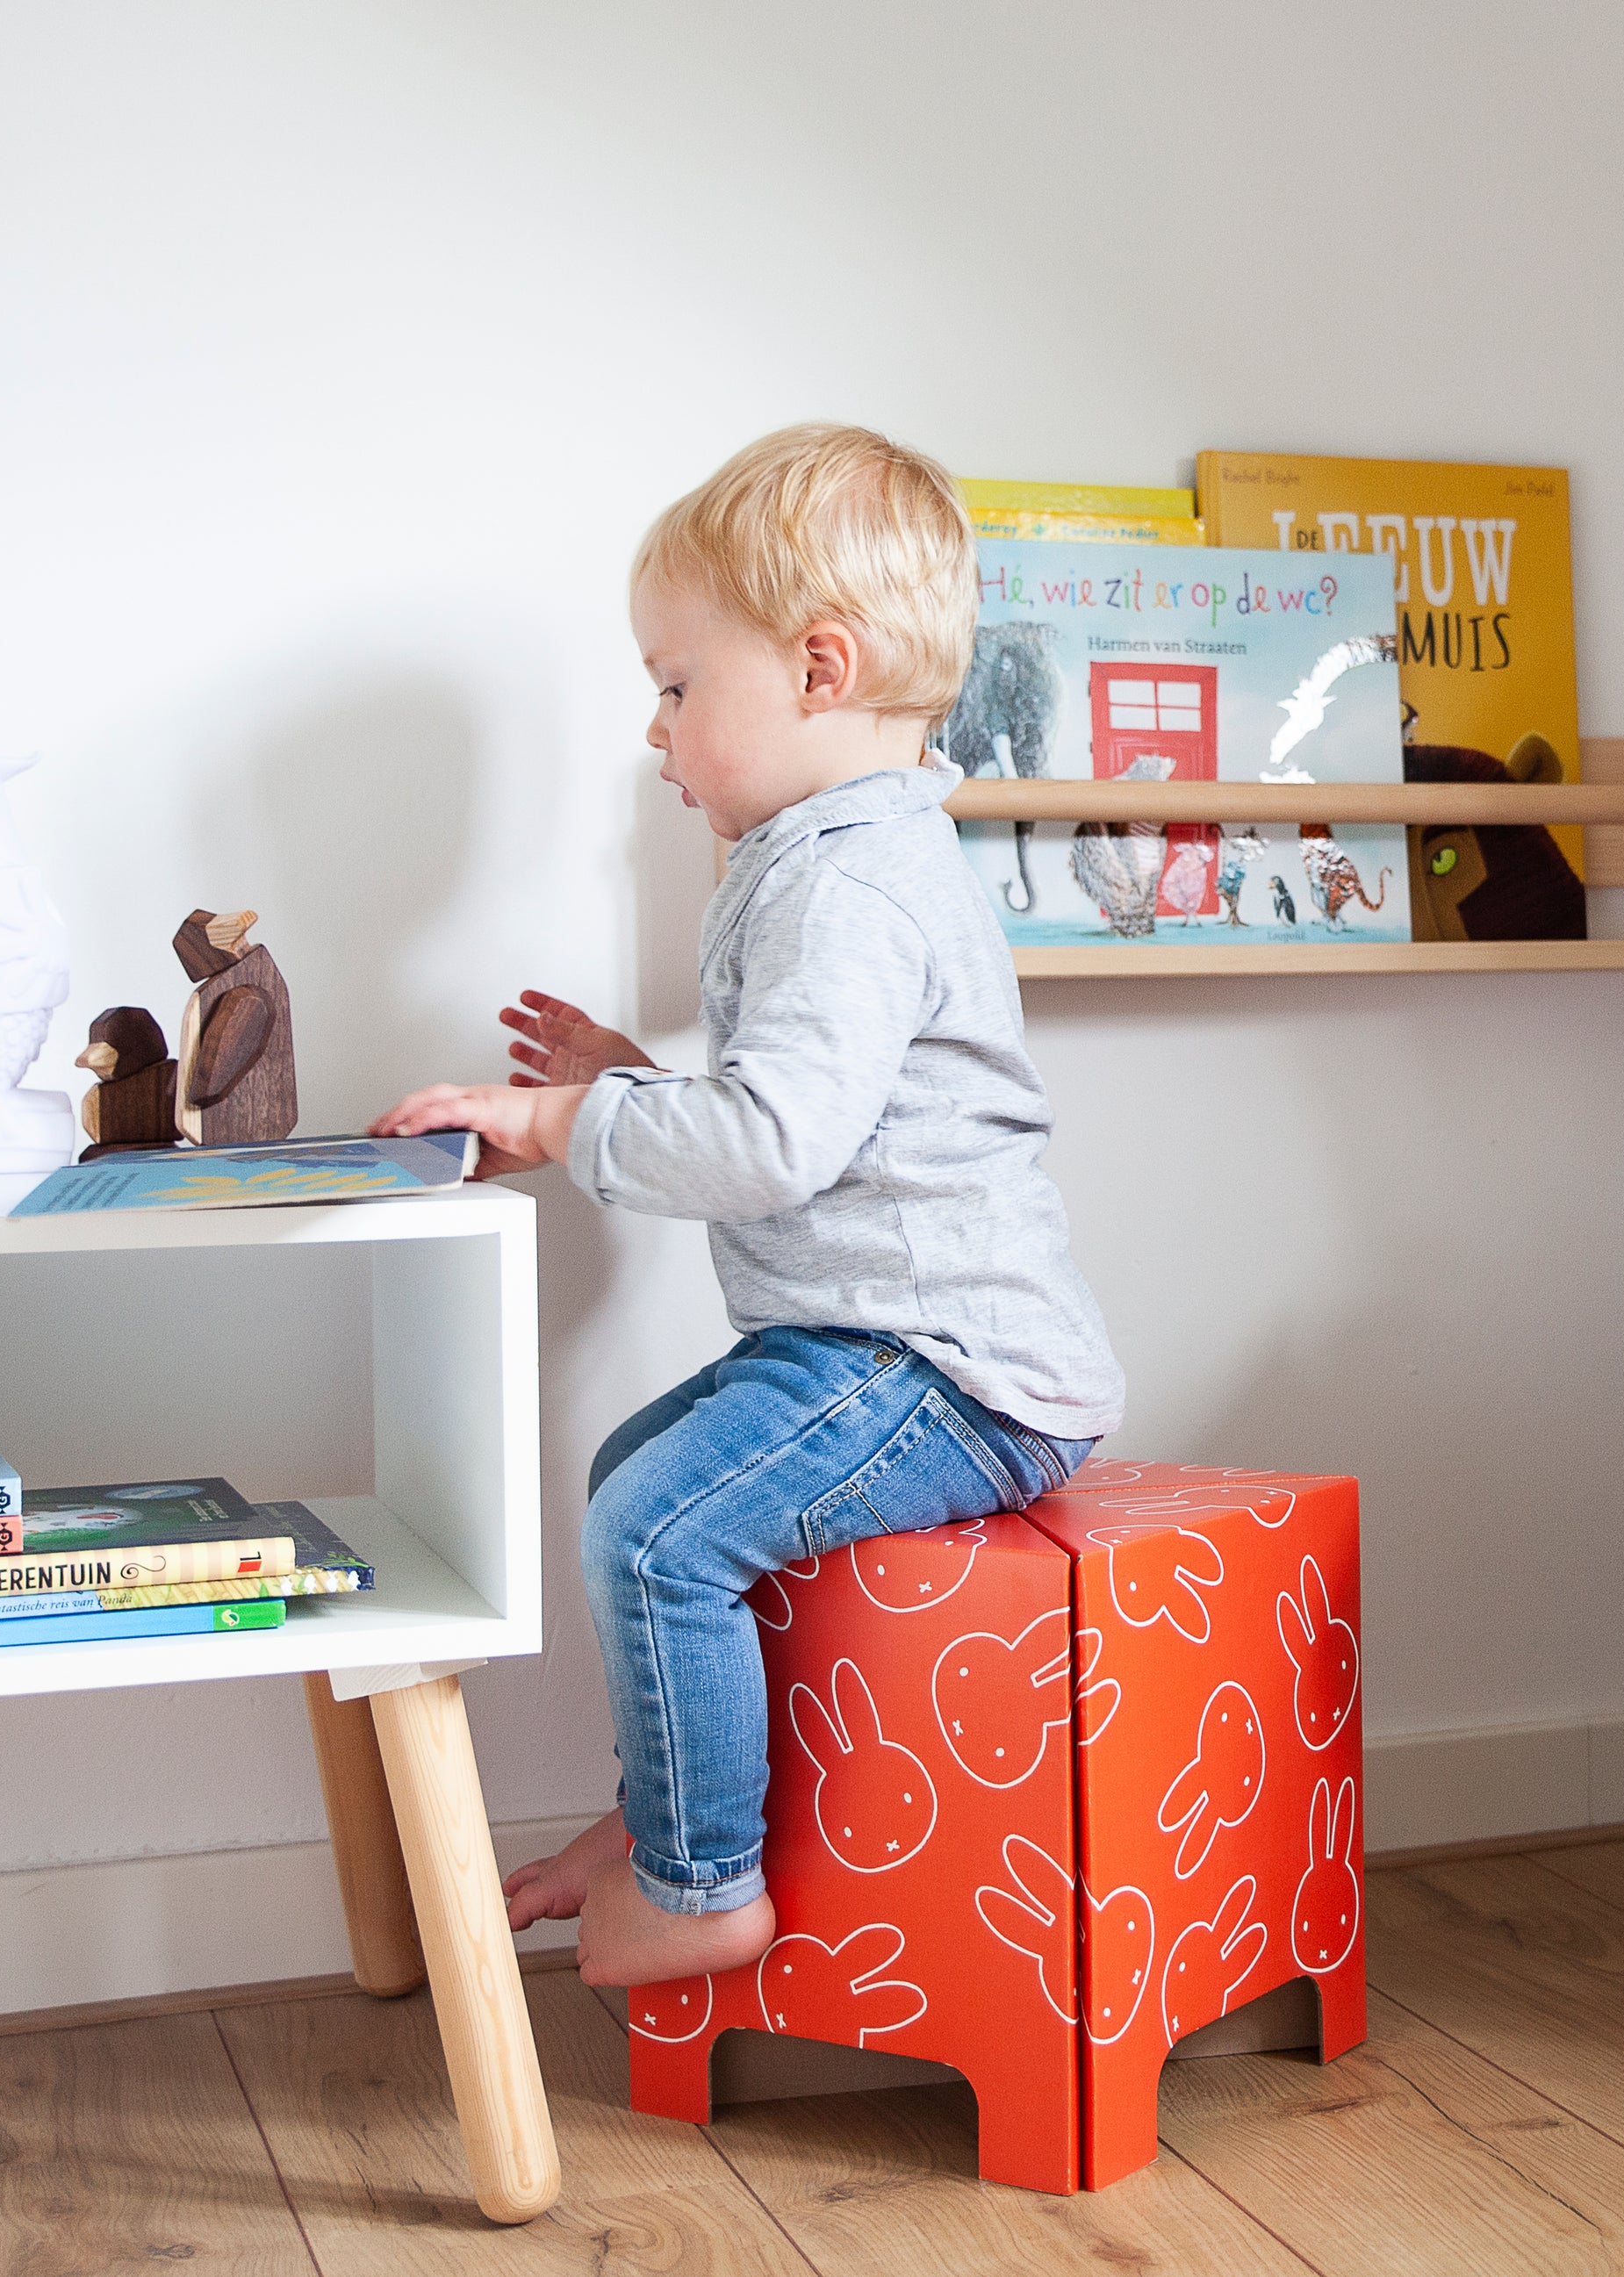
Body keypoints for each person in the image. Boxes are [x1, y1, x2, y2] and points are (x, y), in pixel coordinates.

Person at [374, 423, 1124, 1986]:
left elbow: (773, 1140)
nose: (654, 732)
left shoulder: (846, 880)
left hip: (945, 1369)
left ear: (816, 670)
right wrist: (630, 1080)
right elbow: (803, 1114)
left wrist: (560, 1114)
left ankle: (705, 1878)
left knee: (656, 1529)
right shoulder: (829, 855)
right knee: (636, 1468)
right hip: (867, 1343)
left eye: (673, 685)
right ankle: (668, 1814)